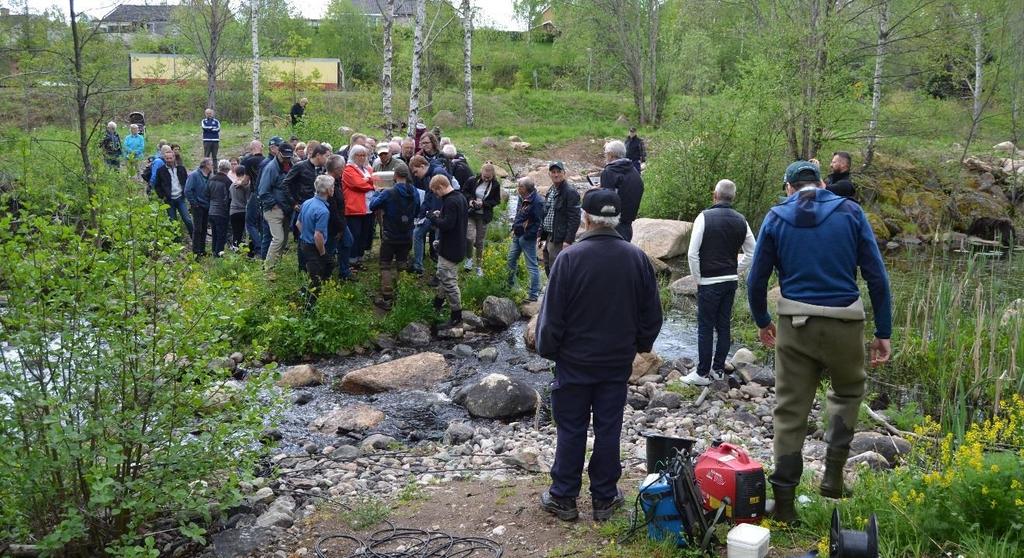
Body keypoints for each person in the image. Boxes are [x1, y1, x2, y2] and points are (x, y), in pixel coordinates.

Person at [747, 160, 892, 523]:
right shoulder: (851, 211)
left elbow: (756, 278)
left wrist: (763, 320)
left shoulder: (777, 216)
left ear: (788, 187)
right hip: (846, 321)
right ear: (823, 183)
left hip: (795, 324)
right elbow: (877, 275)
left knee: (790, 410)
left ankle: (784, 505)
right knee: (846, 394)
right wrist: (883, 332)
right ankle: (832, 476)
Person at [536, 188, 663, 522]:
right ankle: (604, 499)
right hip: (616, 361)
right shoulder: (635, 258)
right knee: (609, 429)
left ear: (586, 218)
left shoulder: (569, 258)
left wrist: (550, 351)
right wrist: (640, 345)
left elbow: (552, 317)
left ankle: (563, 497)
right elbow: (652, 315)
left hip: (574, 361)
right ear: (617, 219)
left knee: (571, 428)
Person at [682, 179, 757, 386]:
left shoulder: (704, 217)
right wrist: (736, 270)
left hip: (709, 281)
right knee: (723, 325)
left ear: (715, 195)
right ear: (733, 197)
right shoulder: (741, 219)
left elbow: (692, 253)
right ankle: (717, 370)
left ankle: (702, 373)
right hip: (729, 281)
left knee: (705, 327)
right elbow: (753, 252)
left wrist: (697, 278)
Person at [369, 163, 419, 308]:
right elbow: (417, 210)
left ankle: (387, 296)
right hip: (407, 234)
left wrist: (378, 192)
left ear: (395, 176)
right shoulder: (414, 191)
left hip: (390, 235)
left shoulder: (388, 192)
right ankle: (402, 293)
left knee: (385, 264)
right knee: (402, 263)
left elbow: (373, 206)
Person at [426, 174, 468, 329]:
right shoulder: (460, 197)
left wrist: (432, 218)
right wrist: (441, 215)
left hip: (450, 249)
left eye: (435, 192)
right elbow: (455, 220)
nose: (436, 195)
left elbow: (447, 225)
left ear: (440, 187)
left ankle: (456, 316)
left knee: (449, 282)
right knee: (443, 276)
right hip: (457, 245)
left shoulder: (450, 201)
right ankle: (436, 305)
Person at [286, 143, 331, 271]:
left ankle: (318, 264)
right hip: (304, 206)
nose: (328, 159)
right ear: (318, 155)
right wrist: (293, 203)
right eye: (326, 156)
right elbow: (286, 183)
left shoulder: (322, 169)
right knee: (304, 237)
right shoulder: (300, 166)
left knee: (317, 235)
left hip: (319, 205)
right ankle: (302, 268)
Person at [409, 155, 451, 274]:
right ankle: (418, 266)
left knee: (439, 240)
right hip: (431, 213)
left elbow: (445, 194)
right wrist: (421, 214)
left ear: (422, 166)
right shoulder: (427, 176)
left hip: (441, 213)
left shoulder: (438, 173)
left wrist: (436, 215)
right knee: (417, 233)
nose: (415, 175)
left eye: (416, 172)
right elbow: (428, 196)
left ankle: (440, 272)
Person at [257, 142, 295, 272]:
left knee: (283, 241)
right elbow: (262, 191)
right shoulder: (270, 168)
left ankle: (276, 267)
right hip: (274, 209)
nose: (286, 159)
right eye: (284, 156)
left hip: (287, 209)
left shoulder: (291, 165)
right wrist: (274, 205)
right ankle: (268, 269)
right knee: (278, 239)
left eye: (289, 156)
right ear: (278, 153)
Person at [296, 175, 335, 303]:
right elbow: (318, 235)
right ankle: (310, 305)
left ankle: (309, 293)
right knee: (317, 276)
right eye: (333, 186)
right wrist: (322, 253)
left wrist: (306, 235)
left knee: (327, 265)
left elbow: (298, 223)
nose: (334, 189)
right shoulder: (323, 211)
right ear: (328, 190)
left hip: (304, 243)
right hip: (314, 247)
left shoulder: (307, 202)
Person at [539, 161, 581, 275]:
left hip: (559, 238)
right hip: (548, 235)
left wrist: (568, 240)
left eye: (559, 172)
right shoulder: (551, 190)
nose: (556, 175)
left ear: (564, 173)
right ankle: (550, 290)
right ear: (549, 174)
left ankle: (557, 291)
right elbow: (546, 214)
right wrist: (541, 236)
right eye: (553, 172)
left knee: (557, 269)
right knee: (547, 265)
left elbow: (575, 218)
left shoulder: (570, 192)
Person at [462, 162, 501, 276]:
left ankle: (479, 266)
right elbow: (464, 191)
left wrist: (483, 203)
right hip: (471, 213)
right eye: (485, 177)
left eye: (489, 177)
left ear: (493, 175)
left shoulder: (495, 185)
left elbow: (496, 201)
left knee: (479, 242)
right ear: (481, 173)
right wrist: (470, 200)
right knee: (469, 237)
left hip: (483, 216)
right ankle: (469, 259)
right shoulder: (472, 180)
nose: (486, 179)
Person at [599, 140, 644, 241]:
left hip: (613, 226)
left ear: (611, 155)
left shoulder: (609, 171)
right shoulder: (633, 170)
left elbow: (607, 201)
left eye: (606, 154)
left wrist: (597, 192)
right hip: (628, 224)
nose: (605, 157)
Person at [508, 177, 544, 302]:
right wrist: (514, 229)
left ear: (527, 188)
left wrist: (527, 235)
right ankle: (510, 287)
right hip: (517, 235)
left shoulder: (538, 201)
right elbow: (518, 214)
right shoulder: (521, 197)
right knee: (511, 260)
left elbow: (538, 223)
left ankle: (533, 295)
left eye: (520, 186)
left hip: (527, 238)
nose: (518, 188)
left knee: (532, 266)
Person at [342, 145, 376, 268]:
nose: (362, 157)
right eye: (359, 155)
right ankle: (351, 261)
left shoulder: (368, 169)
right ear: (353, 155)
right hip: (354, 209)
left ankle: (359, 259)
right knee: (354, 235)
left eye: (364, 155)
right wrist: (371, 184)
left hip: (367, 209)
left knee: (364, 235)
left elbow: (376, 180)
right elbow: (358, 184)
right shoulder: (348, 169)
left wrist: (369, 181)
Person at [324, 154, 354, 280]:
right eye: (343, 167)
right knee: (329, 250)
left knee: (348, 242)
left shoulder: (335, 181)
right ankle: (325, 276)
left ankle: (344, 271)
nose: (344, 170)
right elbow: (332, 209)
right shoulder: (328, 184)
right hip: (332, 225)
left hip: (340, 222)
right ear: (337, 170)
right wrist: (340, 228)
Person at [154, 149, 193, 236]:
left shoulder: (181, 169)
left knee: (187, 219)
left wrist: (186, 193)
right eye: (167, 158)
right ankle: (176, 240)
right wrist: (162, 196)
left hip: (180, 198)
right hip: (169, 200)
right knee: (172, 221)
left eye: (170, 158)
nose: (169, 160)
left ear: (174, 158)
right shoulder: (161, 171)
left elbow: (186, 181)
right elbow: (157, 185)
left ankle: (194, 236)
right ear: (164, 159)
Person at [241, 140, 267, 258]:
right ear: (261, 148)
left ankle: (259, 248)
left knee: (250, 222)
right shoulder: (267, 160)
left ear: (251, 149)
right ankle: (263, 247)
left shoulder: (248, 161)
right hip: (266, 194)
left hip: (255, 193)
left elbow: (246, 180)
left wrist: (239, 183)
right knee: (261, 222)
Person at [185, 158, 213, 256]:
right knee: (198, 229)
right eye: (211, 164)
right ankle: (196, 252)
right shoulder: (194, 175)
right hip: (198, 206)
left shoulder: (210, 176)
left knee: (204, 228)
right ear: (205, 165)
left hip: (207, 205)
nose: (212, 166)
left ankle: (202, 250)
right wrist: (194, 203)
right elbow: (187, 190)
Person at [208, 159, 233, 256]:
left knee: (214, 233)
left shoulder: (211, 179)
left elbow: (207, 193)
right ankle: (218, 254)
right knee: (221, 234)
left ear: (219, 167)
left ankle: (214, 251)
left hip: (211, 210)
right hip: (222, 212)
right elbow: (229, 198)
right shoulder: (228, 182)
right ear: (228, 169)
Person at [229, 164, 251, 251]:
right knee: (245, 232)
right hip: (243, 211)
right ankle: (246, 249)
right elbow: (248, 199)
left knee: (236, 232)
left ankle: (235, 248)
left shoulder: (231, 185)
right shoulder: (246, 185)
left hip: (233, 211)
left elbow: (230, 198)